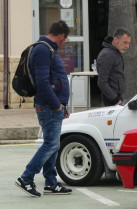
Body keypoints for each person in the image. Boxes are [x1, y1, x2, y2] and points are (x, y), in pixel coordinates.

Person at [15, 20, 72, 197]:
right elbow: (42, 83)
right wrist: (56, 105)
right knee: (51, 143)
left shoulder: (47, 49)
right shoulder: (43, 50)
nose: (65, 44)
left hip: (53, 105)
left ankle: (51, 182)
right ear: (61, 36)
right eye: (66, 40)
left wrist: (62, 104)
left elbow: (52, 80)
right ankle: (26, 177)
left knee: (53, 144)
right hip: (48, 106)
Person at [97, 28, 131, 106]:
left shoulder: (115, 53)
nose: (127, 46)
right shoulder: (107, 55)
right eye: (125, 42)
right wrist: (115, 100)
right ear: (115, 40)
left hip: (117, 98)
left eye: (129, 43)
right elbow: (102, 82)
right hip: (111, 101)